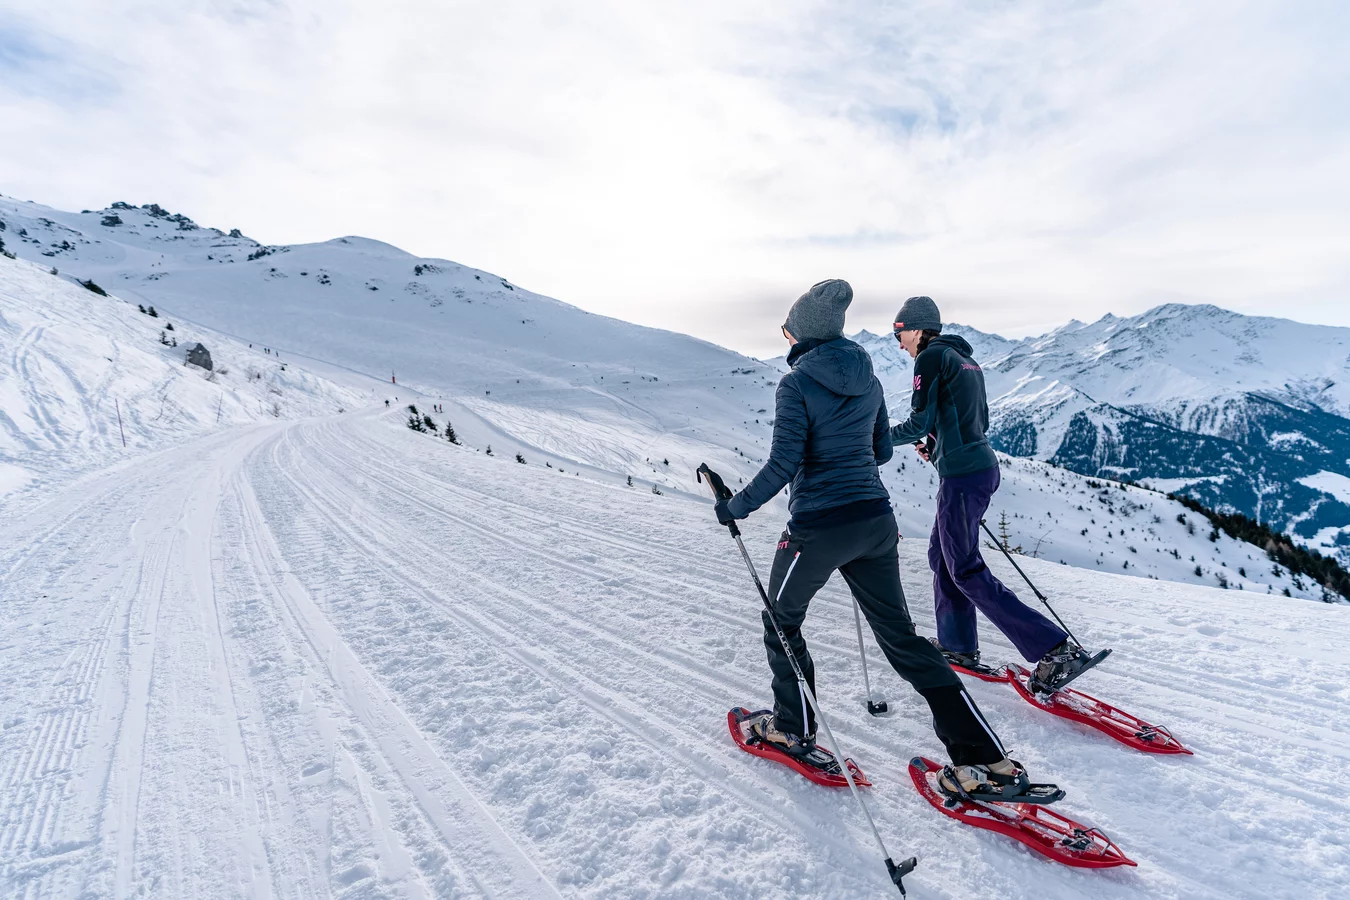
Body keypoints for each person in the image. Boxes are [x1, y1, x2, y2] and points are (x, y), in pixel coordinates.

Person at [715, 279, 1038, 799]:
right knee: (903, 639)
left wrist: (735, 507)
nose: (785, 338)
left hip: (819, 527)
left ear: (802, 335)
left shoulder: (795, 384)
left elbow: (783, 463)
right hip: (875, 522)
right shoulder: (868, 379)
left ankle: (791, 728)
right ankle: (985, 761)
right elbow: (882, 452)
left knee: (781, 621)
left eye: (787, 330)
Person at [888, 296, 1106, 693]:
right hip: (978, 467)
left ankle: (1056, 650)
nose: (899, 344)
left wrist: (873, 441)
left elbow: (918, 418)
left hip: (963, 475)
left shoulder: (930, 357)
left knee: (965, 567)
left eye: (899, 334)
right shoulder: (964, 359)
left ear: (917, 329)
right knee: (942, 555)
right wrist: (936, 443)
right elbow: (974, 419)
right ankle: (956, 645)